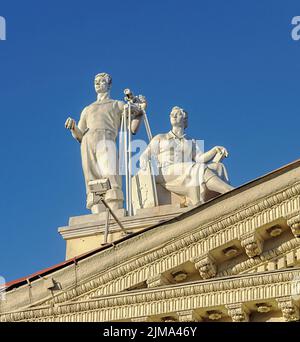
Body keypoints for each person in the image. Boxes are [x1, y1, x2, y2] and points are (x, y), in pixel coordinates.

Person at [65, 73, 145, 212]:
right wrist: (73, 128)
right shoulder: (87, 109)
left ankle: (114, 205)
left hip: (106, 138)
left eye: (102, 81)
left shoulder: (117, 104)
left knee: (110, 173)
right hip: (88, 141)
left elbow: (132, 128)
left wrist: (140, 112)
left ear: (109, 85)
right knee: (92, 177)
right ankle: (97, 208)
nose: (98, 83)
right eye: (96, 81)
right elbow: (80, 135)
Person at [139, 106, 234, 206]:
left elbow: (200, 158)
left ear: (184, 120)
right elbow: (144, 155)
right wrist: (145, 162)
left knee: (218, 167)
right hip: (165, 171)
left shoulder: (190, 141)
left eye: (177, 114)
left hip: (186, 169)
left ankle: (222, 198)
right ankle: (228, 191)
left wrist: (214, 150)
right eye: (172, 114)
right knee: (197, 167)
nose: (173, 115)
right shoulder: (160, 137)